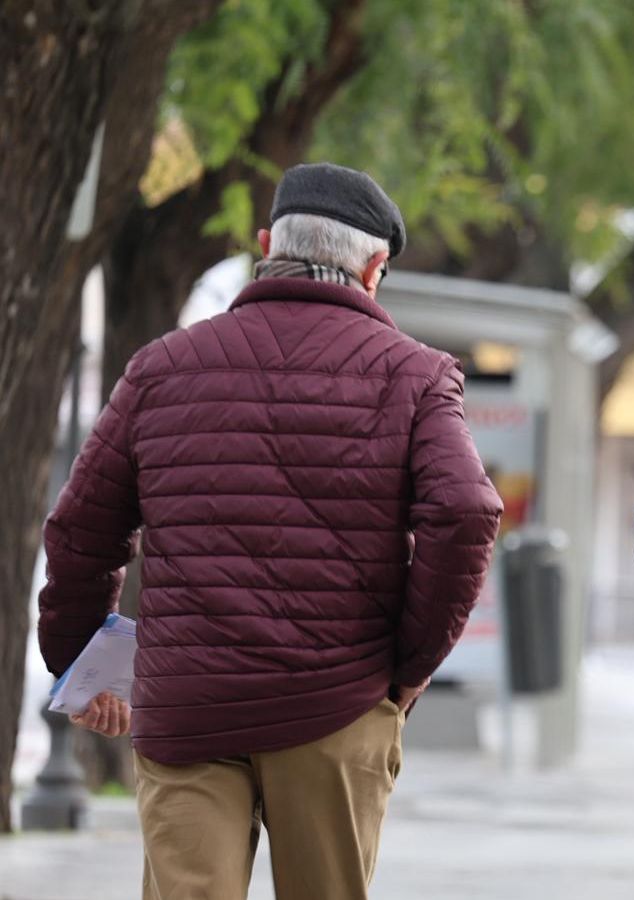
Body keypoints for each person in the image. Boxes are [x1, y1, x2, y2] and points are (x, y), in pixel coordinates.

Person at [37, 163, 503, 900]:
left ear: (266, 246)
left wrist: (82, 666)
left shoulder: (161, 369)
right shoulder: (415, 376)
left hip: (189, 708)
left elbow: (80, 531)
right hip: (336, 703)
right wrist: (409, 665)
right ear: (374, 269)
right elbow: (467, 512)